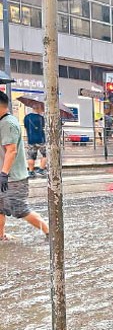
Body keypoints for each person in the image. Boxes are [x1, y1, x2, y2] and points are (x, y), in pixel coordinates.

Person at [0, 91, 49, 241]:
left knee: (20, 209)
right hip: (6, 176)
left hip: (12, 178)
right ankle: (1, 236)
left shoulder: (8, 123)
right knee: (0, 208)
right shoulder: (3, 122)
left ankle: (50, 232)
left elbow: (11, 150)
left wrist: (4, 174)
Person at [23, 106, 47, 178]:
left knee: (31, 156)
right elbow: (43, 126)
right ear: (38, 109)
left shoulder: (27, 117)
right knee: (46, 154)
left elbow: (26, 126)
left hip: (31, 140)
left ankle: (31, 171)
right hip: (41, 139)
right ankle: (41, 169)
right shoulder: (41, 118)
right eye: (41, 109)